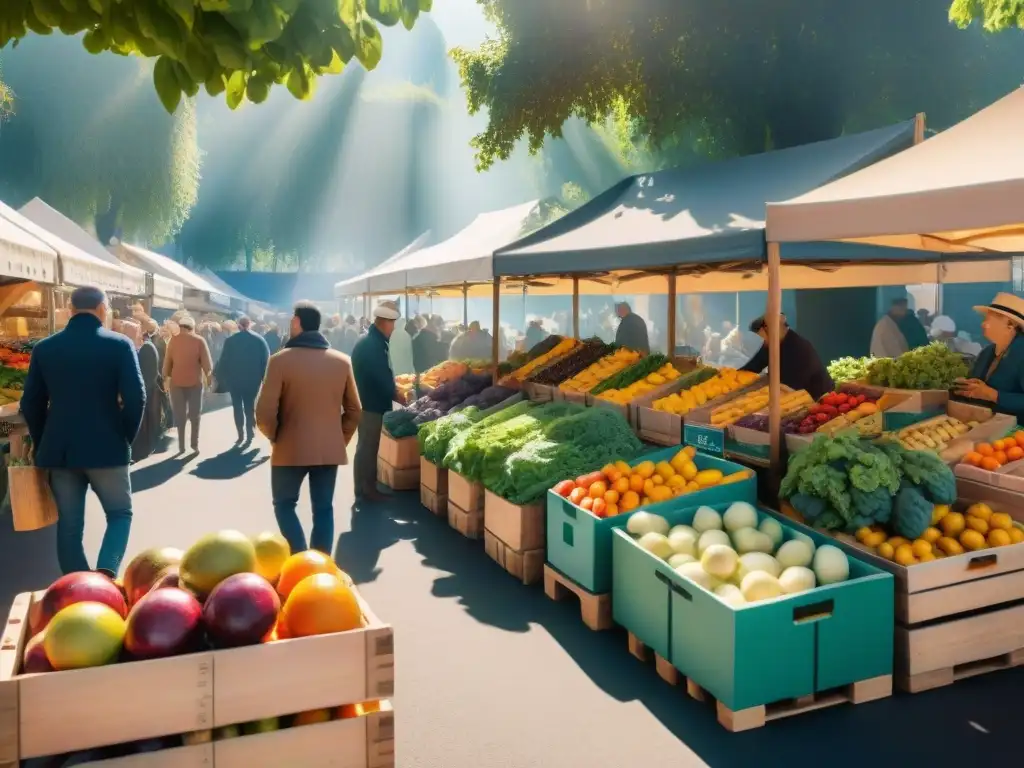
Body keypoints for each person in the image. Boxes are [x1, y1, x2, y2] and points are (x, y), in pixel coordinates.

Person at [20, 286, 145, 577]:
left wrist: (43, 440)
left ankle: (78, 588)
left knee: (69, 526)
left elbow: (31, 402)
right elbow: (137, 397)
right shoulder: (120, 344)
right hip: (108, 446)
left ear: (69, 309)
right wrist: (126, 436)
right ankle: (105, 576)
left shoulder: (45, 348)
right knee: (119, 514)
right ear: (103, 308)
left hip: (60, 449)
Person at [256, 302, 362, 553]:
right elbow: (355, 410)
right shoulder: (342, 361)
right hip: (328, 449)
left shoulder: (279, 361)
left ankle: (300, 557)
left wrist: (275, 437)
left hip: (288, 448)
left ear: (296, 322)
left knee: (284, 504)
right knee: (324, 508)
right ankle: (321, 564)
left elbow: (263, 412)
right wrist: (339, 438)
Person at [351, 300, 400, 501]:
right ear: (385, 323)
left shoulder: (368, 341)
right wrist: (395, 394)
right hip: (370, 404)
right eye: (393, 323)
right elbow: (380, 376)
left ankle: (361, 486)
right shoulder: (373, 345)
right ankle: (368, 488)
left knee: (364, 447)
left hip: (364, 401)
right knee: (368, 448)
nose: (394, 328)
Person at [953, 293, 1024, 420]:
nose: (983, 324)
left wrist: (994, 395)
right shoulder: (987, 352)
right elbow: (976, 386)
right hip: (986, 424)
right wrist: (965, 386)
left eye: (989, 319)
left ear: (1010, 324)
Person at [742, 314, 833, 400]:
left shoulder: (799, 349)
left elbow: (788, 389)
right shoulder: (771, 344)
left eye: (759, 337)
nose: (760, 342)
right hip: (787, 394)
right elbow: (752, 366)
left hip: (816, 400)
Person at [215, 316, 271, 444]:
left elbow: (223, 360)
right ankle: (250, 431)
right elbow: (265, 361)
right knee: (250, 406)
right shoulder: (259, 340)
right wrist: (264, 379)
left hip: (234, 379)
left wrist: (221, 378)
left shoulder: (230, 340)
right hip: (253, 379)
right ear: (250, 324)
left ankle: (240, 433)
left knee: (237, 406)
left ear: (239, 325)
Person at [163, 315, 213, 454]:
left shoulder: (173, 340)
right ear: (192, 327)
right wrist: (209, 382)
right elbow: (207, 365)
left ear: (181, 327)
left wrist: (165, 378)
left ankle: (181, 445)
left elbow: (167, 363)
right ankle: (194, 444)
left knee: (180, 415)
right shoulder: (199, 340)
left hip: (176, 383)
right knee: (195, 415)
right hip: (195, 384)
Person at [131, 319, 163, 462]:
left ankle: (143, 449)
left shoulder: (147, 348)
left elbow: (146, 373)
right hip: (150, 388)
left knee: (146, 421)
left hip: (148, 389)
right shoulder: (149, 346)